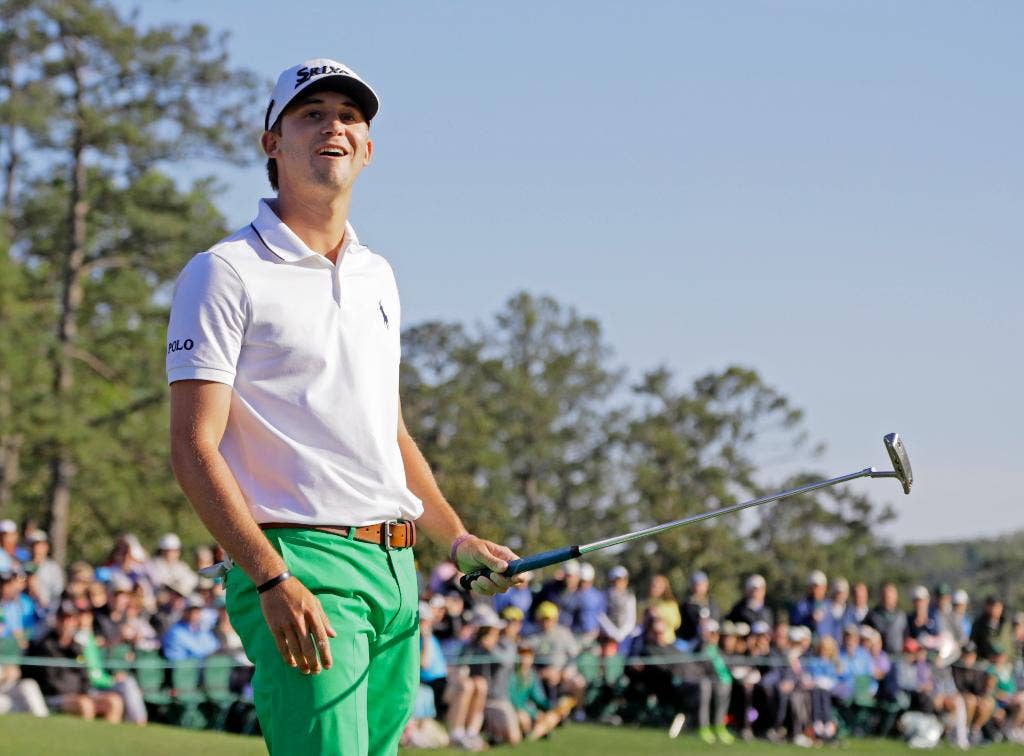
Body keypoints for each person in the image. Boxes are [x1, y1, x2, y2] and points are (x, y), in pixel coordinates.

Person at [166, 58, 519, 756]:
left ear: (368, 147)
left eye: (350, 116)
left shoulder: (377, 275)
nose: (334, 126)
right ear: (272, 142)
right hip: (302, 563)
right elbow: (192, 447)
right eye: (312, 113)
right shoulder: (225, 271)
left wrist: (454, 538)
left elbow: (385, 432)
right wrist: (272, 575)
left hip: (396, 572)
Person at [24, 602, 124, 722]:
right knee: (85, 705)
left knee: (114, 701)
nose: (67, 624)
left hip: (80, 694)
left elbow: (84, 675)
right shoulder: (45, 647)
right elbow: (50, 681)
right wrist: (76, 695)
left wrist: (86, 691)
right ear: (57, 621)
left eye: (71, 619)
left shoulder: (77, 647)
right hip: (56, 697)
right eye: (63, 619)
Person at [597, 565, 636, 654]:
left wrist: (621, 634)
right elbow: (601, 616)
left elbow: (631, 619)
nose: (620, 582)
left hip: (625, 638)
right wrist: (613, 633)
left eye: (623, 579)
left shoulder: (630, 596)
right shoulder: (604, 595)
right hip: (606, 637)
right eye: (618, 579)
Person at [865, 581, 908, 657]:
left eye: (891, 594)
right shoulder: (872, 615)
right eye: (885, 594)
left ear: (896, 596)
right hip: (879, 657)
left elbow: (906, 636)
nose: (888, 597)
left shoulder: (902, 616)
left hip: (898, 656)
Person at [678, 570, 718, 644]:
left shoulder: (712, 602)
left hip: (709, 642)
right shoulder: (686, 604)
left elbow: (716, 619)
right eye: (697, 585)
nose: (699, 588)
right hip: (688, 641)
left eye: (702, 584)